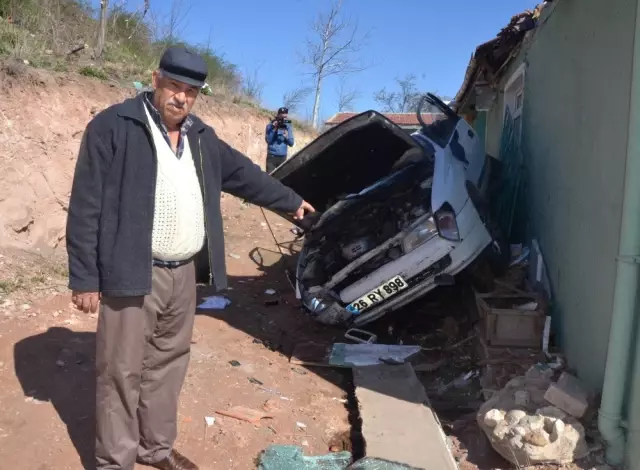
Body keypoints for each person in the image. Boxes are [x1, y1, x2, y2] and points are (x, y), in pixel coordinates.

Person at [66, 45, 315, 470]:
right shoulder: (114, 126)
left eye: (191, 91)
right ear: (156, 80)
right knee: (120, 372)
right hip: (132, 270)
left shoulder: (201, 137)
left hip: (183, 274)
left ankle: (154, 450)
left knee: (167, 365)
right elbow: (85, 203)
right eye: (175, 86)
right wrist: (85, 277)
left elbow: (244, 176)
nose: (182, 97)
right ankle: (115, 462)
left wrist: (290, 202)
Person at [265, 106, 294, 173]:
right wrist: (273, 129)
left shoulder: (288, 125)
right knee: (269, 179)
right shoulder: (270, 126)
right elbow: (268, 140)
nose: (283, 120)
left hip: (283, 158)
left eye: (285, 117)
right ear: (278, 116)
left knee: (282, 179)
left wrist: (287, 137)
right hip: (272, 156)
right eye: (282, 118)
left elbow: (291, 143)